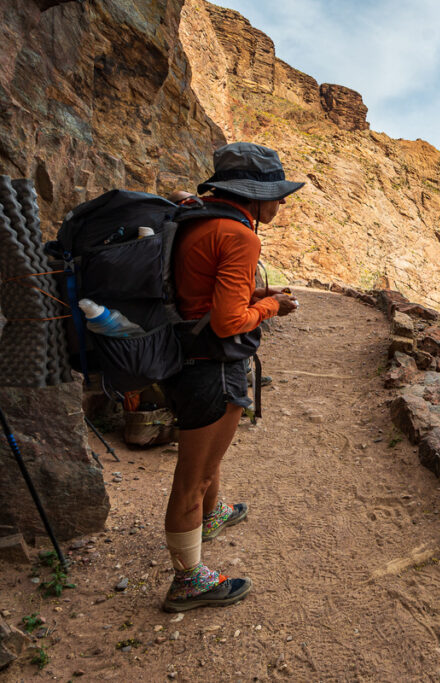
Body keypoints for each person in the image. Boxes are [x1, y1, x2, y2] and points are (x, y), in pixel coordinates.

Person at [159, 142, 302, 612]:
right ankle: (187, 582)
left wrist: (255, 294)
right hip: (212, 364)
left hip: (185, 355)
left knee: (209, 457)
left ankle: (212, 515)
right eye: (277, 195)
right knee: (194, 477)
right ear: (255, 195)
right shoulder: (241, 236)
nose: (280, 203)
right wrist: (272, 305)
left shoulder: (197, 220)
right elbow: (227, 322)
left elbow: (201, 292)